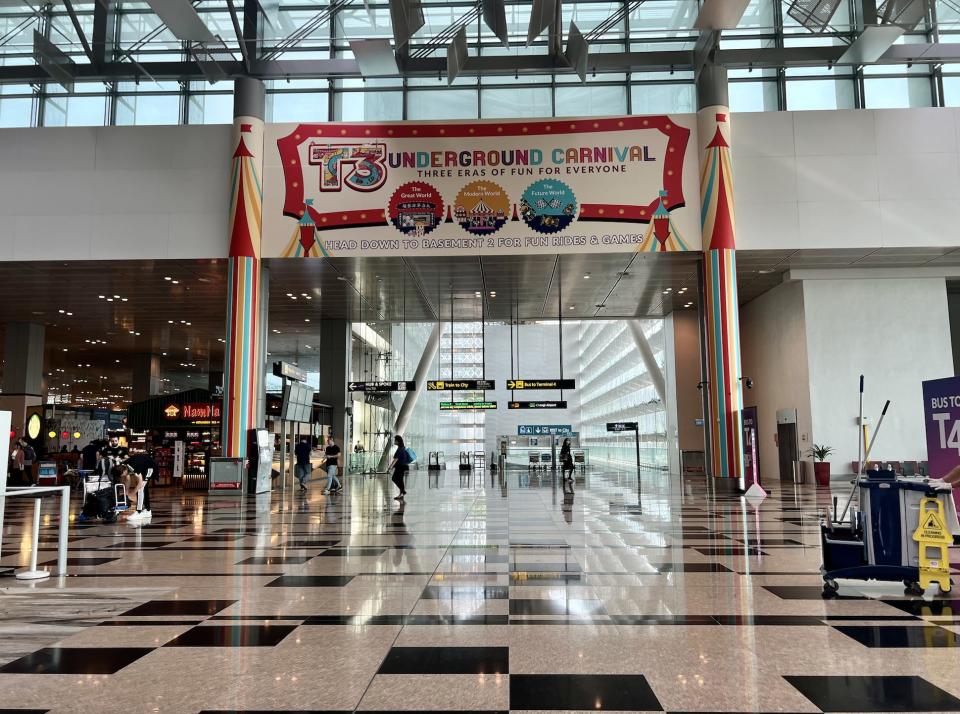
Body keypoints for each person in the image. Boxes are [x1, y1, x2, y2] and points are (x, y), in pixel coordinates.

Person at [111, 452, 157, 525]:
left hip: (150, 467)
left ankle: (138, 512)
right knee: (143, 488)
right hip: (144, 465)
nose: (122, 477)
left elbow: (140, 482)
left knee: (141, 488)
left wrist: (132, 493)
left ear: (123, 471)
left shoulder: (130, 466)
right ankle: (148, 511)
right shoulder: (124, 465)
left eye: (122, 475)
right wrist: (126, 492)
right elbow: (128, 479)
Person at [388, 435, 410, 500]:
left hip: (400, 467)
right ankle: (401, 493)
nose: (394, 441)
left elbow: (396, 459)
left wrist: (390, 467)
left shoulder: (400, 449)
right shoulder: (402, 448)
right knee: (400, 480)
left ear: (398, 441)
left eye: (395, 440)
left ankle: (402, 491)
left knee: (394, 478)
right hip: (402, 466)